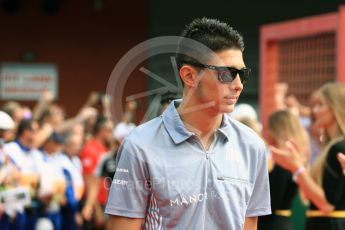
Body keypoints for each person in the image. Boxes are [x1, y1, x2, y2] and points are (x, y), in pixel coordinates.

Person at [105, 18, 271, 229]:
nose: (238, 85)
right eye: (227, 74)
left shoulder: (251, 146)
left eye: (242, 74)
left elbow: (249, 225)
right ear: (190, 76)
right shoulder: (140, 145)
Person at [270, 82, 345, 230]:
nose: (314, 111)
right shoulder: (330, 147)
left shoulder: (338, 148)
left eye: (320, 105)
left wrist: (296, 167)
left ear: (335, 108)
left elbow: (327, 204)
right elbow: (309, 196)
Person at [258, 110, 310, 230]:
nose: (263, 132)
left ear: (277, 131)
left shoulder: (284, 163)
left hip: (272, 225)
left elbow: (271, 203)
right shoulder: (288, 160)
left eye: (267, 128)